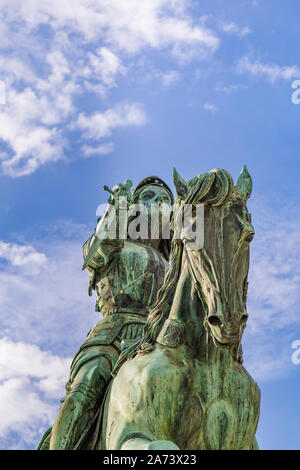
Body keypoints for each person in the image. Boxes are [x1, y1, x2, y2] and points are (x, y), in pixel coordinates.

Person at [37, 176, 174, 450]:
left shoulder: (174, 265)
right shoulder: (116, 245)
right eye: (149, 198)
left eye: (165, 202)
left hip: (160, 342)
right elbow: (96, 252)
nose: (158, 206)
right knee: (84, 391)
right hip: (113, 337)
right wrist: (117, 208)